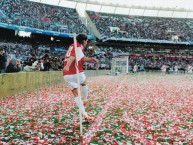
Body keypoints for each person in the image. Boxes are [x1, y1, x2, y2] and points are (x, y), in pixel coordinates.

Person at [63, 34, 98, 122]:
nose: (86, 43)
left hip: (66, 75)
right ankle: (85, 99)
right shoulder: (79, 47)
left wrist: (92, 59)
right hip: (76, 72)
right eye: (86, 41)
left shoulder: (72, 46)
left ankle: (84, 114)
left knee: (76, 94)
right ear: (83, 41)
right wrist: (67, 65)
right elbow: (73, 56)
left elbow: (82, 59)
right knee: (83, 82)